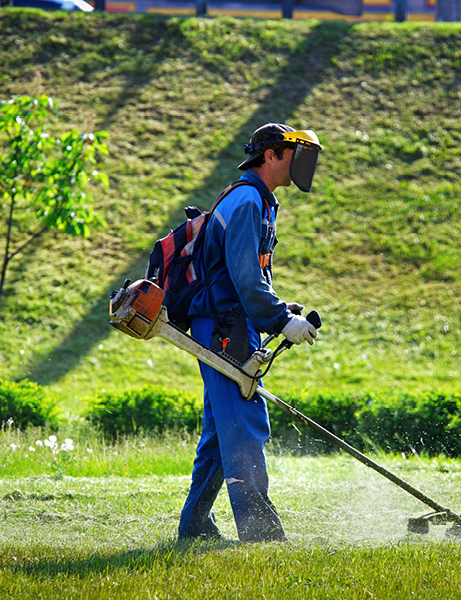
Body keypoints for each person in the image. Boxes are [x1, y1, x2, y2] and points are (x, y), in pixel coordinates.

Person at [177, 123, 323, 543]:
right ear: (272, 155)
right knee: (244, 426)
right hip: (225, 329)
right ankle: (261, 536)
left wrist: (280, 310)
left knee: (222, 432)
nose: (302, 163)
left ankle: (196, 527)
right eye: (295, 154)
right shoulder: (246, 201)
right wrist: (281, 321)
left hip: (232, 325)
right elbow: (244, 279)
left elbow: (251, 275)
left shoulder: (259, 199)